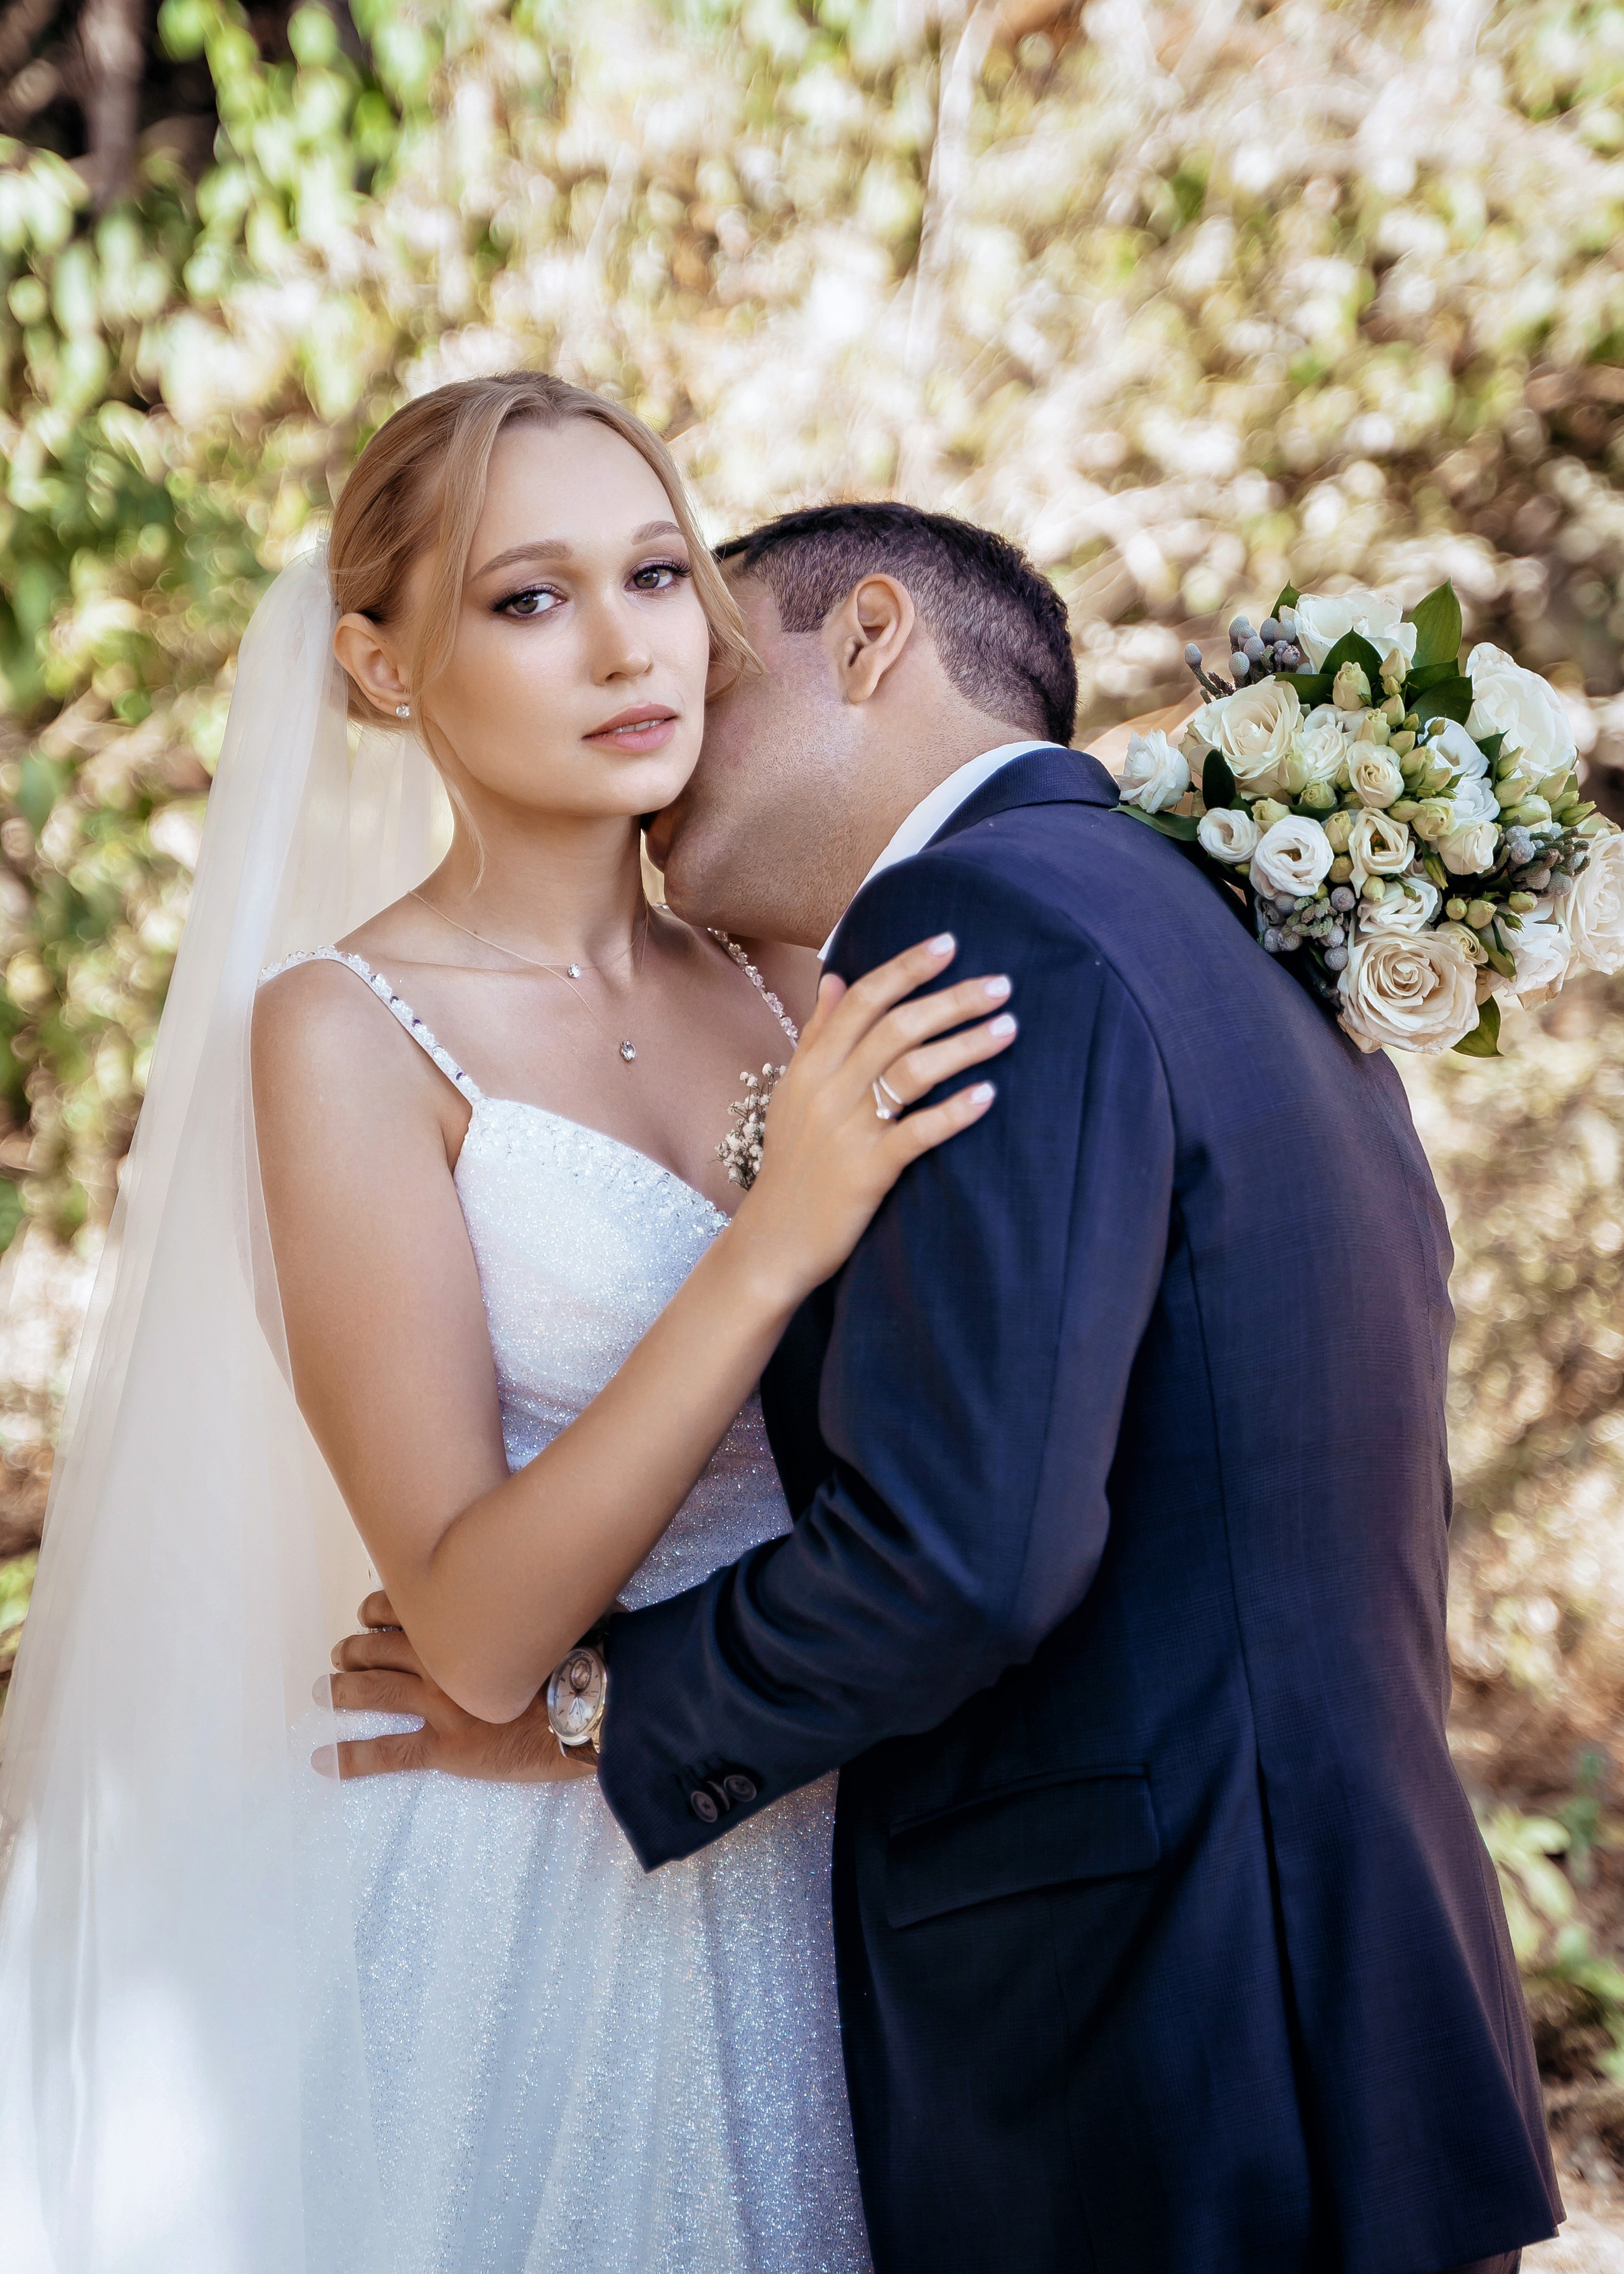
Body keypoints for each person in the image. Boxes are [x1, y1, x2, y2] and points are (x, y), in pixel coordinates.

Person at [343, 502, 1564, 2274]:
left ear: (871, 640)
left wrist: (587, 1711)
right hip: (1348, 2001)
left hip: (1155, 2042)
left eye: (714, 662)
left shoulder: (981, 923)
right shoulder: (1214, 923)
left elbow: (966, 1553)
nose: (664, 731)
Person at [0, 378, 1018, 2273]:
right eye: (527, 600)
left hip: (833, 1812)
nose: (629, 643)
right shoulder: (344, 1030)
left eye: (655, 572)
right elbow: (467, 1631)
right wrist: (769, 1241)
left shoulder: (794, 967)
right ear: (386, 673)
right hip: (542, 1900)